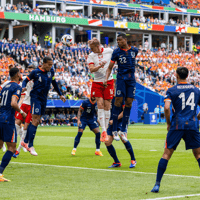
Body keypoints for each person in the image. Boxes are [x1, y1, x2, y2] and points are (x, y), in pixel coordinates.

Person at [151, 67, 200, 193]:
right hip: (192, 125)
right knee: (198, 155)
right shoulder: (196, 90)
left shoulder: (172, 90)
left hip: (177, 125)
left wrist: (168, 123)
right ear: (188, 76)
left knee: (166, 154)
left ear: (176, 76)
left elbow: (167, 108)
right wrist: (197, 118)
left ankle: (157, 184)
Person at [21, 57, 66, 156]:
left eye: (51, 65)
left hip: (44, 98)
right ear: (43, 63)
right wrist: (23, 87)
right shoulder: (35, 72)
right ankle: (30, 145)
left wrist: (60, 94)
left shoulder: (51, 72)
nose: (50, 66)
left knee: (36, 121)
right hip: (35, 97)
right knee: (35, 120)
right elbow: (25, 80)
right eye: (49, 65)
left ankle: (25, 141)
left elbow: (54, 83)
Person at [104, 33, 138, 141]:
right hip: (121, 79)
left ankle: (123, 130)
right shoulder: (116, 52)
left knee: (129, 103)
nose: (118, 42)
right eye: (117, 40)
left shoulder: (134, 50)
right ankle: (114, 130)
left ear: (125, 40)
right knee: (118, 102)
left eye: (120, 40)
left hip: (131, 81)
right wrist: (106, 78)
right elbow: (110, 68)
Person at [0, 68, 26, 182]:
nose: (21, 75)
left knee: (0, 145)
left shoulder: (5, 86)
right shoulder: (17, 87)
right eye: (20, 73)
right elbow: (13, 103)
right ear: (17, 74)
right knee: (11, 148)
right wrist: (22, 112)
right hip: (8, 120)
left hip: (0, 117)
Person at [87, 38, 114, 142]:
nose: (91, 50)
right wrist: (100, 66)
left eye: (92, 48)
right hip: (97, 81)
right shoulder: (91, 56)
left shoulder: (109, 51)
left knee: (108, 106)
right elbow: (91, 69)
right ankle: (103, 130)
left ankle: (106, 130)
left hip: (109, 81)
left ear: (98, 46)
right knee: (100, 104)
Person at [105, 96, 136, 168]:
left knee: (123, 139)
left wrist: (115, 120)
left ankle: (133, 160)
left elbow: (124, 111)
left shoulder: (121, 98)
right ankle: (117, 162)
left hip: (121, 121)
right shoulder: (109, 97)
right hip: (112, 122)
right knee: (107, 142)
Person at [13, 64, 35, 158]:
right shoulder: (26, 78)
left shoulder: (38, 80)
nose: (29, 71)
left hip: (32, 105)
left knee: (26, 127)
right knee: (16, 124)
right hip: (24, 104)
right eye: (28, 70)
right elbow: (17, 77)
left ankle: (17, 151)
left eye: (31, 70)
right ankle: (24, 139)